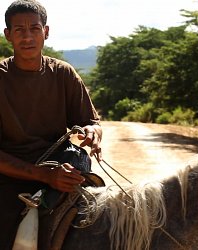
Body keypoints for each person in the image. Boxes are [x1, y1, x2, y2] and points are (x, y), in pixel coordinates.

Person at [0, 0, 102, 249]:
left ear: (46, 32)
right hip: (9, 174)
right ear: (8, 35)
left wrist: (93, 132)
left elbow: (90, 122)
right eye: (19, 30)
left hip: (60, 167)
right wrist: (44, 175)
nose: (27, 37)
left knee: (100, 219)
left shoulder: (63, 73)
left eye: (34, 29)